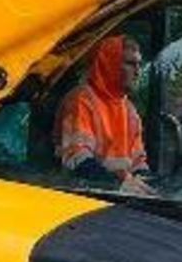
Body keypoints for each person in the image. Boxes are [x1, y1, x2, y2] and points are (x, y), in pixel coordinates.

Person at [56, 34, 153, 193]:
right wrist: (117, 184)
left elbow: (138, 163)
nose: (137, 71)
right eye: (130, 63)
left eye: (139, 64)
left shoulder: (130, 110)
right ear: (110, 64)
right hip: (82, 196)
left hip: (118, 195)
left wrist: (151, 185)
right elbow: (77, 158)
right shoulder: (81, 100)